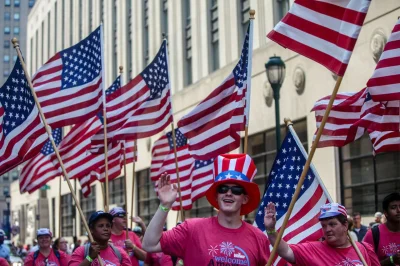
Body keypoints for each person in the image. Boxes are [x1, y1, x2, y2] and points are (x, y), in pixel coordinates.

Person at [142, 153, 271, 265]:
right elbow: (149, 244)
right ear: (216, 195)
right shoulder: (192, 229)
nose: (229, 193)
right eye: (223, 189)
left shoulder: (259, 238)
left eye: (236, 190)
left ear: (245, 199)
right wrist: (165, 205)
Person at [264, 202, 380, 265]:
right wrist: (271, 230)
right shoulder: (313, 249)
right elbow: (285, 251)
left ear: (345, 225)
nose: (327, 229)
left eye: (332, 224)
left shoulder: (363, 249)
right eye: (324, 226)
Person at [363, 192, 400, 265]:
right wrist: (392, 259)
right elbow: (365, 263)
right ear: (385, 213)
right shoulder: (373, 234)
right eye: (393, 207)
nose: (399, 210)